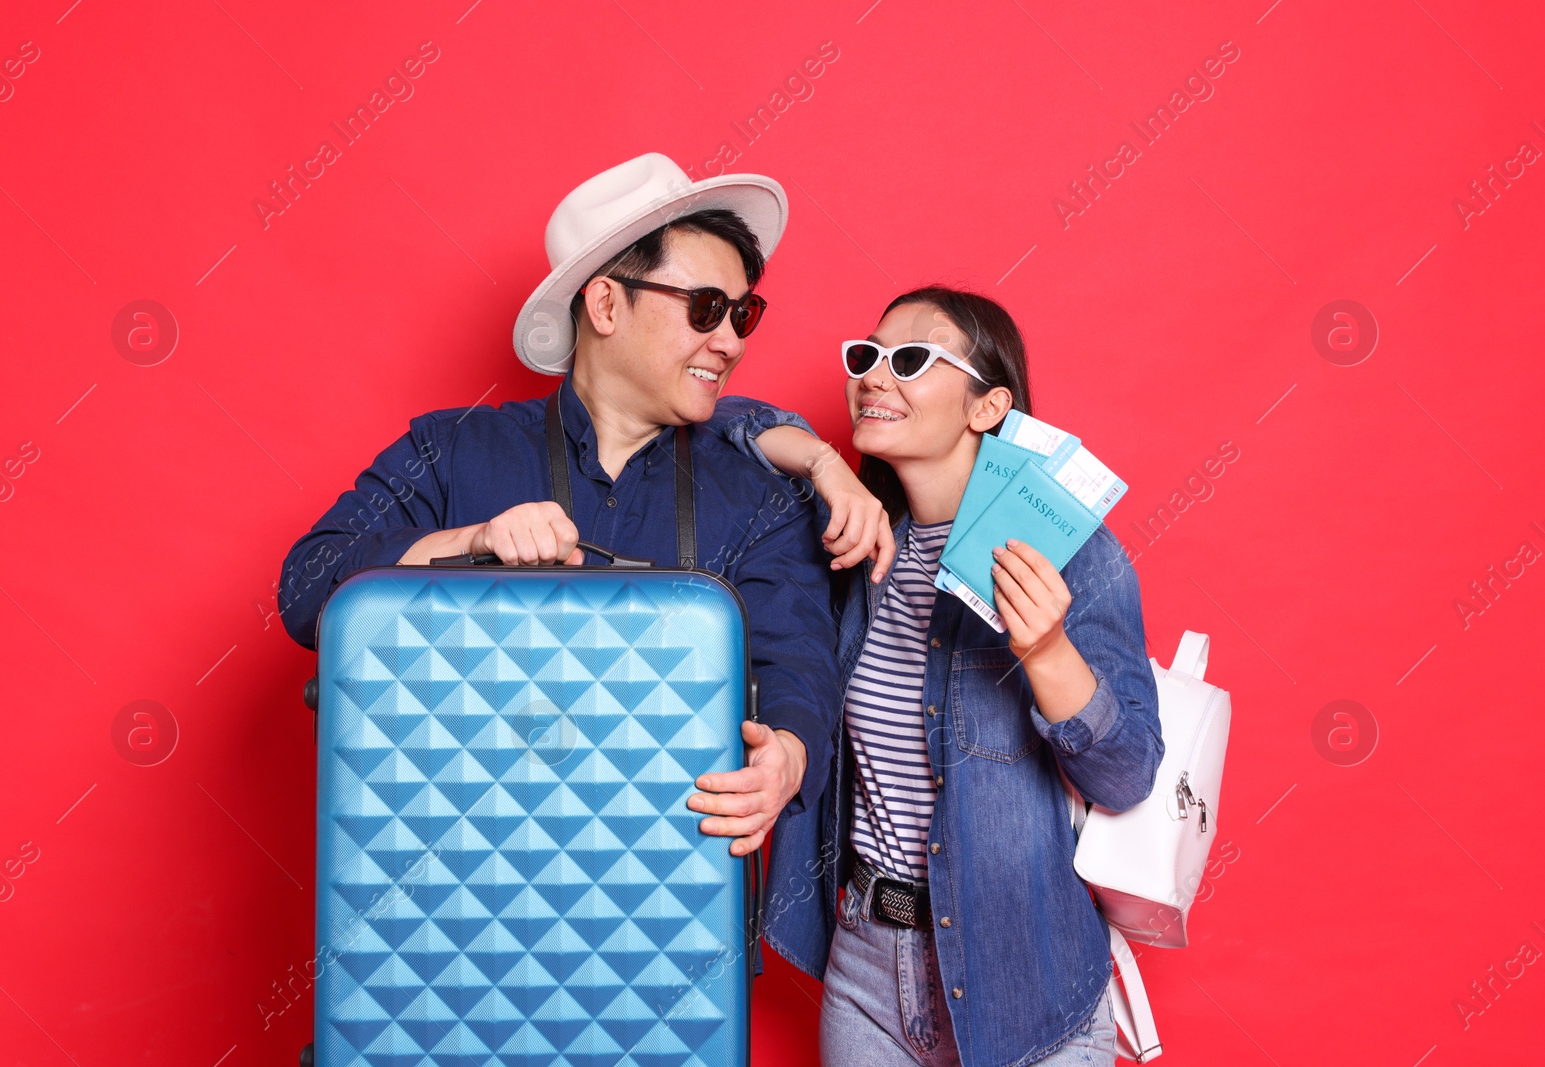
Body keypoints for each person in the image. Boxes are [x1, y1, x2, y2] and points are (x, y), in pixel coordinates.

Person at [277, 152, 843, 887]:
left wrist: (788, 756)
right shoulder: (449, 450)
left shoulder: (761, 497)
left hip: (668, 891)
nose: (731, 340)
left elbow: (797, 660)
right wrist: (469, 543)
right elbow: (307, 586)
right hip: (437, 886)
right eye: (706, 308)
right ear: (606, 305)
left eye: (744, 314)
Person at [705, 286, 1165, 1066]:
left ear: (988, 407)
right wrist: (824, 461)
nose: (875, 377)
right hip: (864, 973)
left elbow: (1127, 774)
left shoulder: (1072, 555)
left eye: (911, 359)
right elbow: (711, 421)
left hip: (1026, 983)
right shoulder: (855, 552)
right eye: (867, 357)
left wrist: (1048, 650)